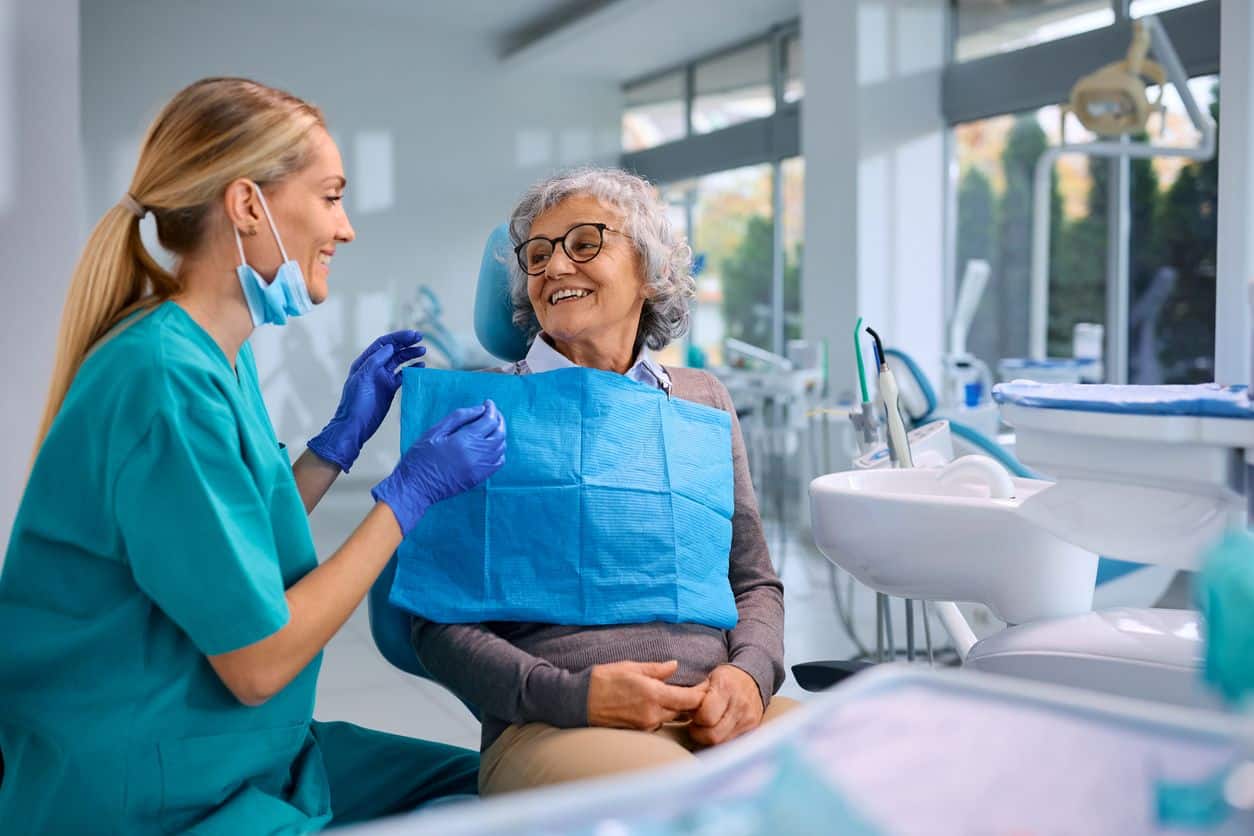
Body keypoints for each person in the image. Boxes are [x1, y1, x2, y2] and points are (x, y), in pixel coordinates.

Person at [0, 77, 506, 834]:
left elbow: (222, 540)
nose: (346, 227)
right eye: (331, 196)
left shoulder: (208, 355)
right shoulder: (164, 381)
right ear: (246, 206)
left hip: (215, 743)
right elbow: (261, 662)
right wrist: (410, 495)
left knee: (495, 783)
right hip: (143, 783)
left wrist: (339, 443)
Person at [411, 167, 795, 796]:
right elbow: (435, 625)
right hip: (553, 725)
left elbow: (753, 580)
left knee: (859, 778)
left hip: (711, 709)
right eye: (537, 255)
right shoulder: (478, 412)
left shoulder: (703, 401)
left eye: (584, 243)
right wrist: (573, 696)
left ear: (649, 269)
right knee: (689, 807)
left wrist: (751, 677)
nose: (554, 268)